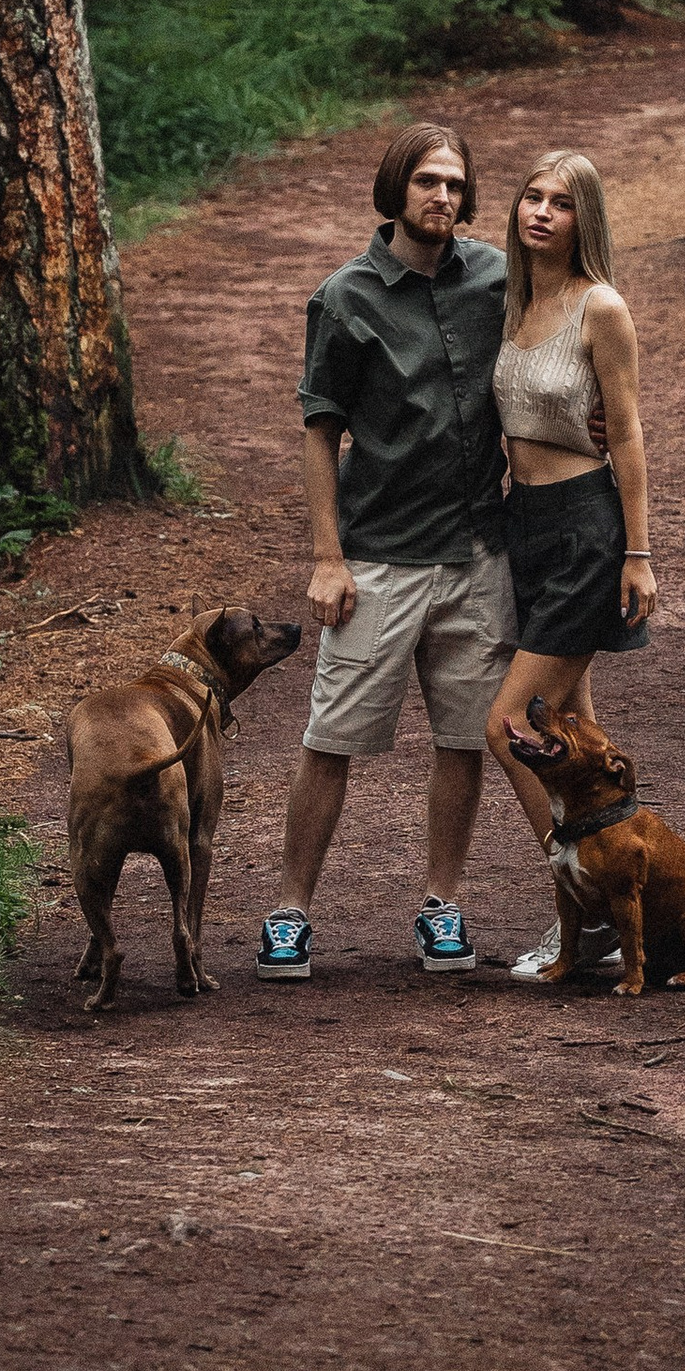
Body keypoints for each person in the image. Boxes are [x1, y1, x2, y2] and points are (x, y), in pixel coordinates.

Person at [254, 123, 514, 982]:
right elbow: (319, 431)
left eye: (454, 183)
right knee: (332, 734)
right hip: (381, 558)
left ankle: (441, 903)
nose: (443, 195)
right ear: (396, 189)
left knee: (465, 738)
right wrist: (327, 557)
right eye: (427, 181)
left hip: (479, 553)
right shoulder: (346, 297)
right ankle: (291, 910)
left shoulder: (496, 280)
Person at [480, 147, 657, 983]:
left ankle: (583, 910)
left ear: (586, 218)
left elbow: (624, 433)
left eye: (560, 201)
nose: (540, 211)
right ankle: (634, 906)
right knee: (576, 735)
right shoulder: (512, 297)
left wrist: (639, 552)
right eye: (531, 197)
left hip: (587, 531)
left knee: (510, 728)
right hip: (528, 525)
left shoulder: (602, 306)